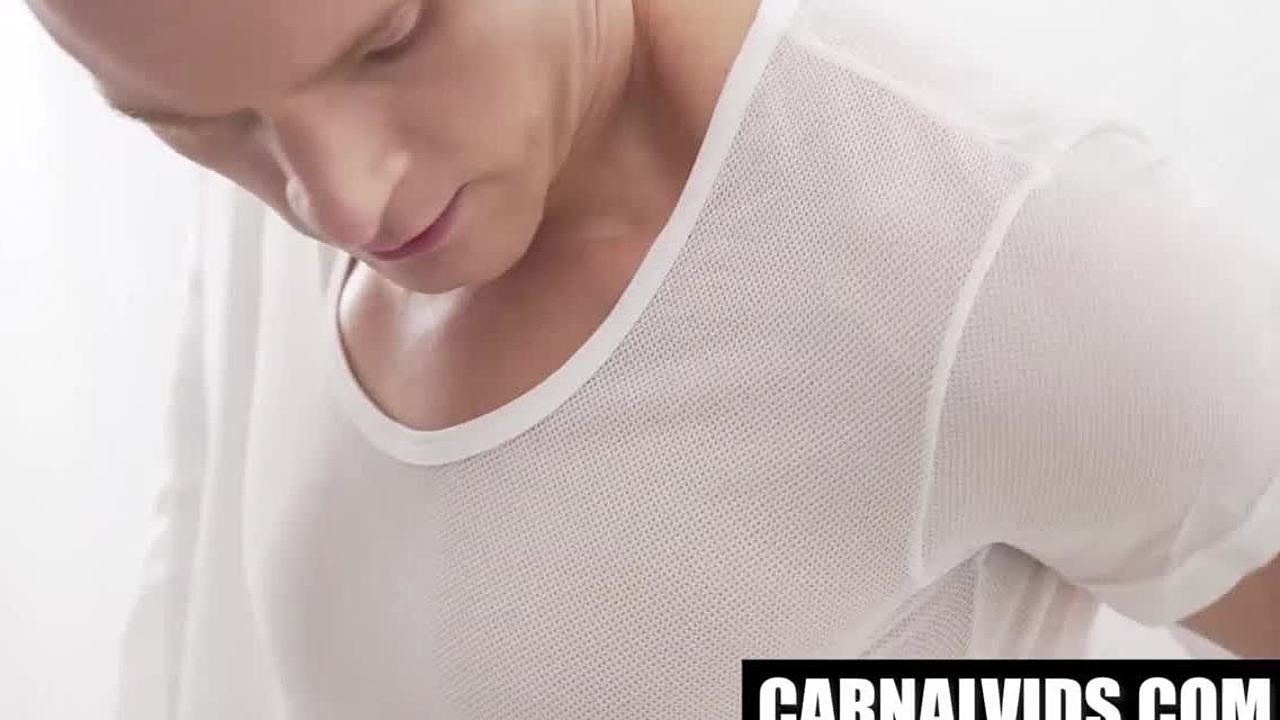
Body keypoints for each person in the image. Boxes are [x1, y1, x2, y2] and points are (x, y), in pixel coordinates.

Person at [27, 0, 1280, 716]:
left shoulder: (996, 250)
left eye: (392, 37)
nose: (340, 199)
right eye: (195, 124)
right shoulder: (265, 95)